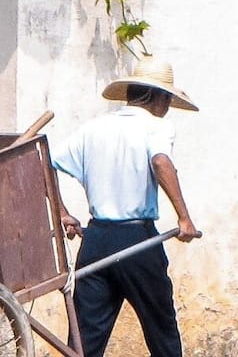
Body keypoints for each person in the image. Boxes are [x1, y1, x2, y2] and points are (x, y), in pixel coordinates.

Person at [50, 58, 203, 357]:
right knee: (162, 334)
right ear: (158, 97)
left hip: (95, 241)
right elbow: (161, 161)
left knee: (85, 342)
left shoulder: (92, 129)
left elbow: (44, 163)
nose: (168, 106)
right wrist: (184, 219)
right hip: (137, 241)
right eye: (168, 99)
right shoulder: (156, 126)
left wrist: (61, 212)